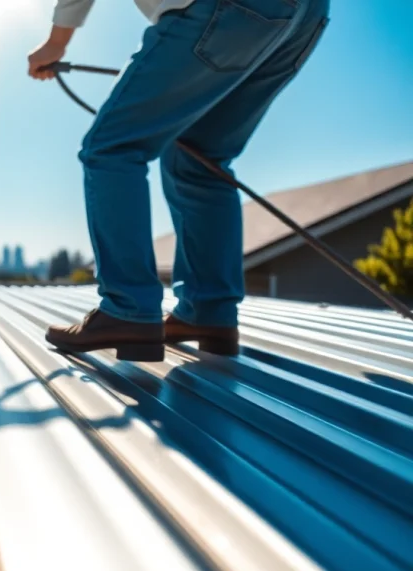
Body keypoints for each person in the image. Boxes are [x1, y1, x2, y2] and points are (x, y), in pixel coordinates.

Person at [28, 0, 330, 362]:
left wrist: (56, 42)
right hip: (305, 17)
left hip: (226, 9)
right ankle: (208, 312)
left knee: (111, 147)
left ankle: (128, 310)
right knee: (197, 160)